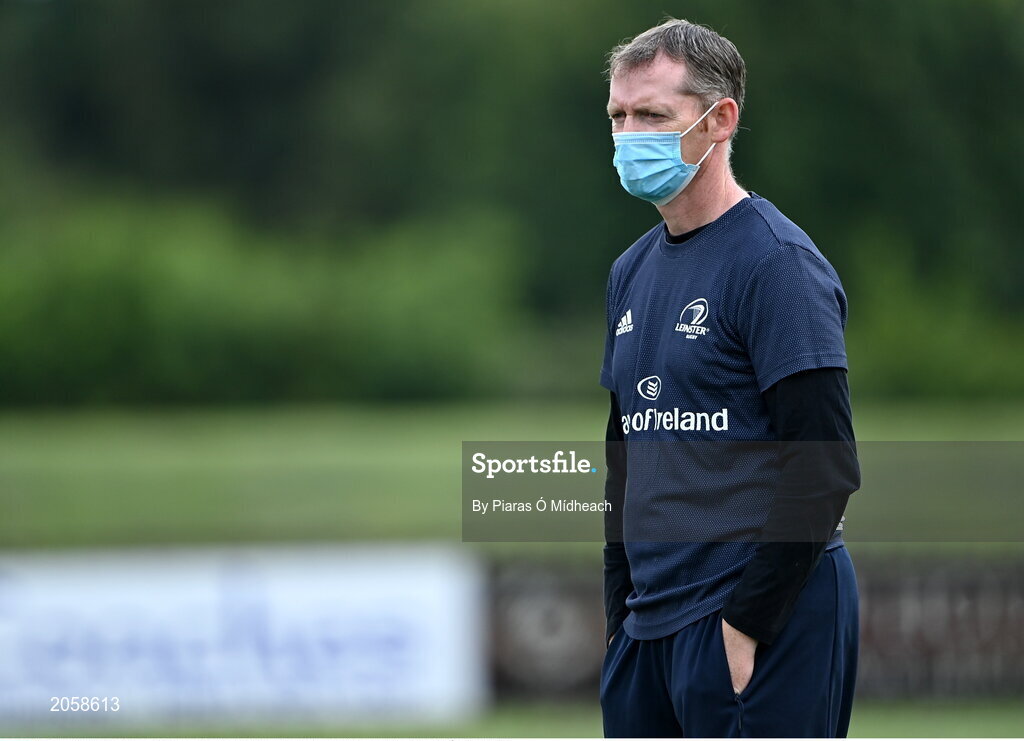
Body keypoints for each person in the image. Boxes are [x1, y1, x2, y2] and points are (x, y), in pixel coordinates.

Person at [598, 18, 862, 738]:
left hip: (755, 624)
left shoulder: (775, 264)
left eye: (653, 115)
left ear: (721, 120)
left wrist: (745, 625)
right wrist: (621, 621)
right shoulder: (630, 271)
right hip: (650, 631)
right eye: (619, 116)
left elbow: (826, 464)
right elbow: (626, 462)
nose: (629, 136)